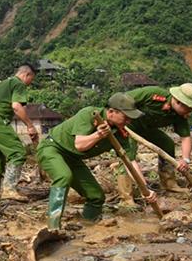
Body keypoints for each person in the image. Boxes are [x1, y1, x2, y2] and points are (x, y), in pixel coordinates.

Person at [39, 93, 152, 229]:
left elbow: (130, 163)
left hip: (73, 158)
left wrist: (146, 190)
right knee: (64, 176)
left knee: (96, 196)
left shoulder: (120, 133)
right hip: (53, 148)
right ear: (111, 112)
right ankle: (53, 227)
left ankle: (87, 228)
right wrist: (98, 135)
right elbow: (79, 145)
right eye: (126, 117)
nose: (128, 121)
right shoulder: (89, 114)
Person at [116, 83, 192, 202]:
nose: (189, 112)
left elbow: (186, 137)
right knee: (128, 155)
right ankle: (126, 197)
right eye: (188, 108)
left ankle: (169, 184)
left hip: (147, 128)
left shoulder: (180, 115)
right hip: (128, 126)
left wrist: (185, 159)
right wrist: (119, 123)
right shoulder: (152, 94)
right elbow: (121, 101)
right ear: (178, 101)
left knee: (167, 144)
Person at [0, 64, 38, 205]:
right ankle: (9, 188)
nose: (29, 84)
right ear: (26, 75)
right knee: (18, 152)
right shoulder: (18, 83)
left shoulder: (1, 84)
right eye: (31, 80)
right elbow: (16, 106)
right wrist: (30, 125)